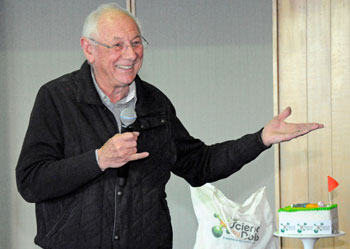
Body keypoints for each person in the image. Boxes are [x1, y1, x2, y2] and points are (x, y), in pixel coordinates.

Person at [16, 3, 323, 249]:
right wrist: (98, 159)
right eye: (117, 45)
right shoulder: (57, 98)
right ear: (88, 49)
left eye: (136, 43)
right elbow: (31, 181)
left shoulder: (155, 103)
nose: (131, 54)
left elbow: (199, 165)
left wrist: (260, 139)